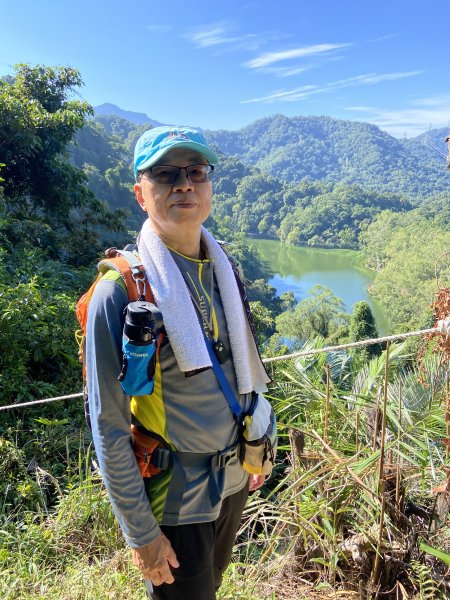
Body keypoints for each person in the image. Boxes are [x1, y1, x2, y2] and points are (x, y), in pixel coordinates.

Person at [86, 126, 273, 600]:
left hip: (232, 483)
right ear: (140, 194)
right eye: (166, 174)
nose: (184, 184)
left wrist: (258, 445)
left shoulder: (224, 268)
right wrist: (141, 534)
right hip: (175, 499)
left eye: (195, 172)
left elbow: (241, 374)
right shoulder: (121, 290)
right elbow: (107, 425)